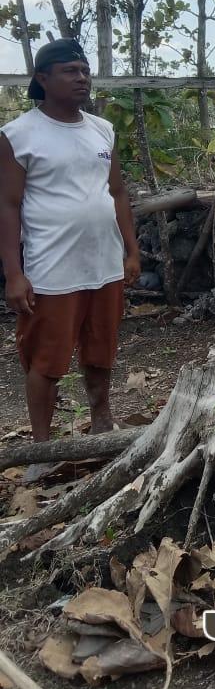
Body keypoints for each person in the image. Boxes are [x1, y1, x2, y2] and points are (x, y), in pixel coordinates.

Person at [0, 39, 141, 473]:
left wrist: (131, 251)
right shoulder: (18, 135)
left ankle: (103, 426)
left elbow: (116, 192)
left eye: (84, 70)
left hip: (103, 264)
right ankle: (42, 453)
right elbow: (8, 205)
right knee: (46, 360)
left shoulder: (101, 130)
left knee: (101, 351)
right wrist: (14, 275)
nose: (81, 78)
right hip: (51, 269)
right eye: (69, 71)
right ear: (42, 79)